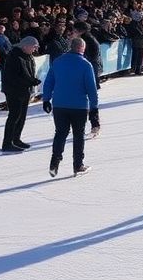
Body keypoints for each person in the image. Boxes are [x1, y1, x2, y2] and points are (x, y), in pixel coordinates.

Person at [42, 37, 100, 178]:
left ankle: (55, 162)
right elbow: (91, 89)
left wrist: (46, 99)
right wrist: (94, 108)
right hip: (78, 105)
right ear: (82, 48)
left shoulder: (58, 61)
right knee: (78, 135)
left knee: (60, 133)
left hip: (60, 105)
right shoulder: (85, 65)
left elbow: (49, 81)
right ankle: (78, 165)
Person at [0, 36, 41, 151]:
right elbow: (12, 77)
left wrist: (32, 81)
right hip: (14, 91)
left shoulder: (28, 56)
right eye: (33, 47)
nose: (34, 50)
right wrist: (30, 81)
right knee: (14, 116)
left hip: (24, 90)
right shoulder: (14, 56)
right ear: (25, 45)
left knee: (22, 116)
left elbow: (28, 73)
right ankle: (7, 142)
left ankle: (16, 139)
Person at [126, 10, 143, 76]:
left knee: (140, 56)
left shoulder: (140, 23)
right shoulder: (133, 24)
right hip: (137, 42)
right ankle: (135, 69)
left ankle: (138, 69)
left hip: (141, 42)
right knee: (136, 56)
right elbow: (137, 32)